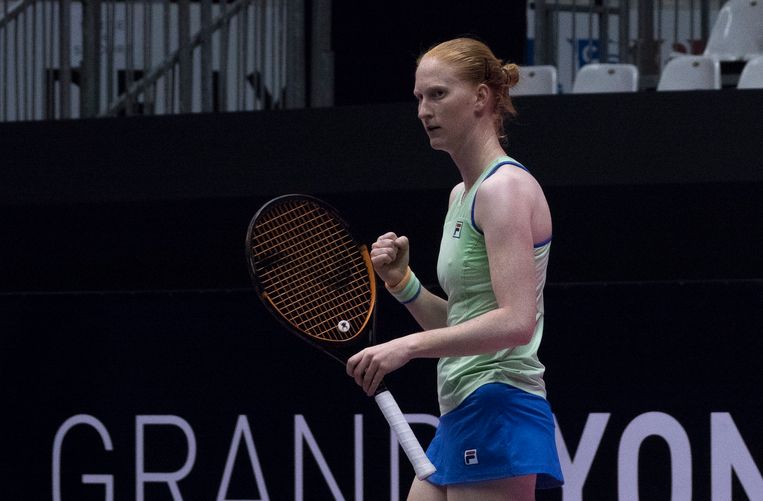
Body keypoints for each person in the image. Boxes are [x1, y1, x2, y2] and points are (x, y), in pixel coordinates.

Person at [346, 37, 564, 500]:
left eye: (438, 95)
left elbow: (516, 322)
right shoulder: (461, 195)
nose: (424, 110)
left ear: (481, 97)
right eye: (419, 97)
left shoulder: (504, 189)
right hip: (462, 404)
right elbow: (466, 322)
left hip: (499, 403)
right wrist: (403, 284)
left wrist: (406, 347)